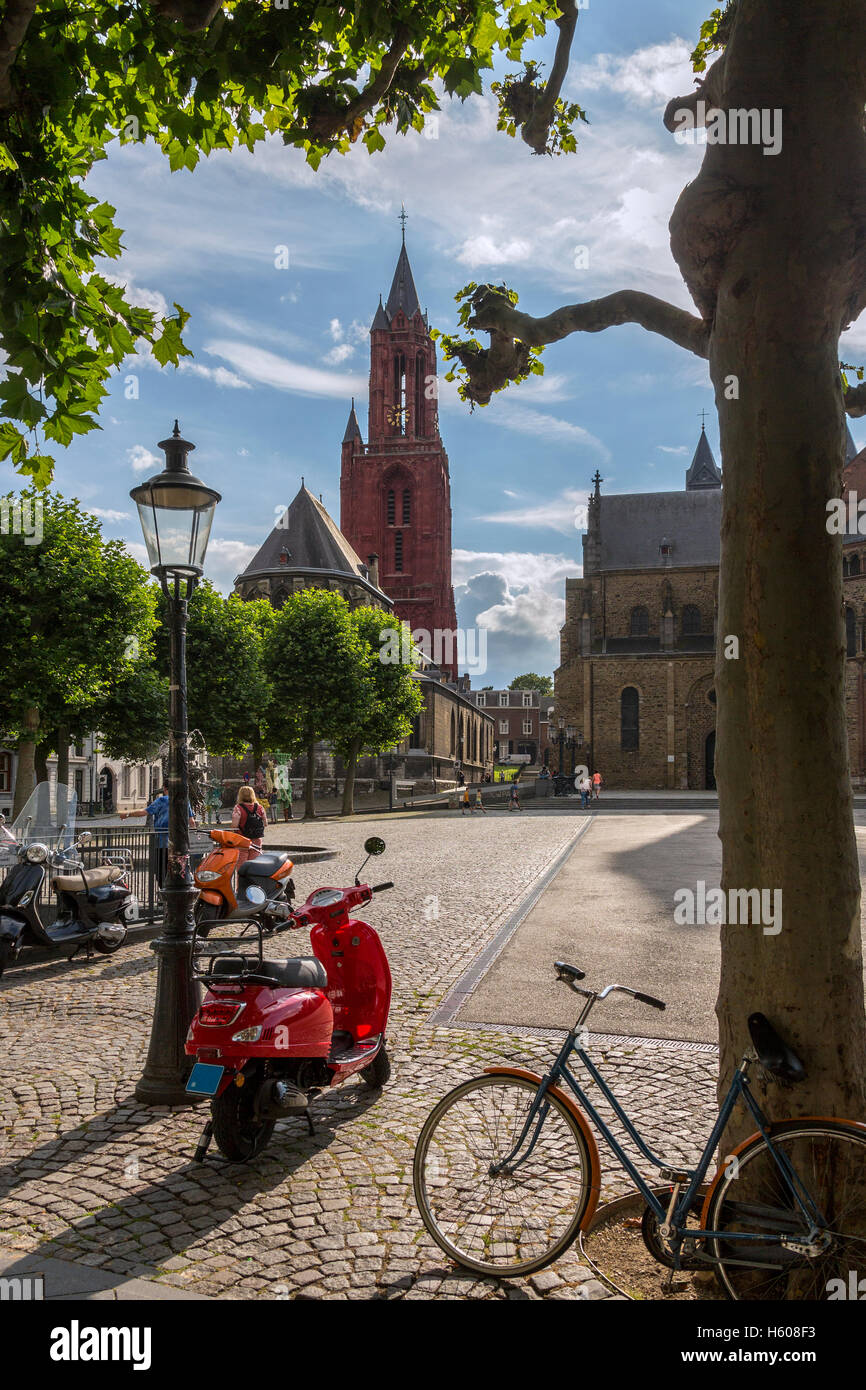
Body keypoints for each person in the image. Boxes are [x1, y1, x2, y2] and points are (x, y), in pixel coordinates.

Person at [122, 784, 196, 885]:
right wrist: (192, 837)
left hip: (162, 843)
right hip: (180, 844)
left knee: (161, 871)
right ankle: (177, 893)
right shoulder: (184, 800)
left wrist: (127, 814)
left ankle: (164, 894)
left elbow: (144, 812)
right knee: (180, 870)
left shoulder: (161, 801)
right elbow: (192, 822)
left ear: (165, 789)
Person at [233, 785, 267, 863]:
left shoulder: (238, 808)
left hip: (242, 839)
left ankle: (242, 875)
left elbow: (234, 826)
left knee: (242, 865)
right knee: (254, 864)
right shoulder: (260, 807)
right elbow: (265, 823)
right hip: (257, 839)